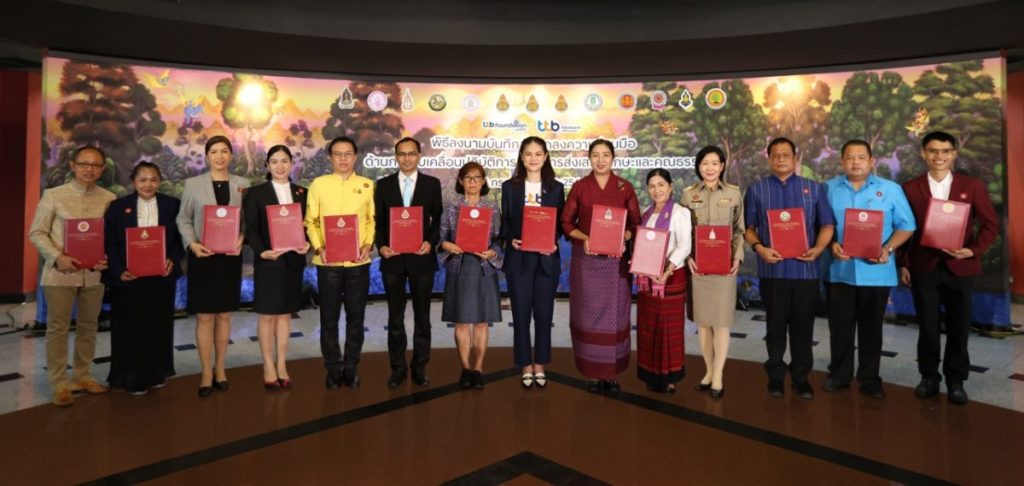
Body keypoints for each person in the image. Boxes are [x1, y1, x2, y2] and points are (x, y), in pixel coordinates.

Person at [898, 131, 998, 405]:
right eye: (933, 151)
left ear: (954, 154)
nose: (938, 156)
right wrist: (904, 263)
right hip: (923, 266)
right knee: (928, 327)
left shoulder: (972, 186)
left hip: (960, 266)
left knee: (959, 326)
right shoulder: (910, 187)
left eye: (945, 151)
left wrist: (973, 250)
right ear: (923, 153)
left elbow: (990, 225)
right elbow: (905, 229)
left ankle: (956, 380)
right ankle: (929, 376)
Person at [822, 140, 915, 399]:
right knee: (839, 328)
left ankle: (870, 378)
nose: (855, 162)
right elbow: (818, 224)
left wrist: (888, 248)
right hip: (838, 270)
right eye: (850, 157)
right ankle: (839, 374)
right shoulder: (828, 189)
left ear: (871, 160)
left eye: (861, 157)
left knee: (872, 328)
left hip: (877, 272)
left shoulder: (891, 190)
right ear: (842, 162)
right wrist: (830, 243)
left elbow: (906, 226)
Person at [743, 137, 834, 399]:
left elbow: (827, 225)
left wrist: (818, 248)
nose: (781, 159)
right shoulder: (758, 190)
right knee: (774, 328)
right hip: (773, 272)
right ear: (769, 158)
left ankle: (801, 377)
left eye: (786, 155)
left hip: (805, 271)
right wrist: (759, 247)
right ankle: (775, 376)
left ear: (795, 158)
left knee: (803, 328)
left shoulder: (814, 189)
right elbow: (749, 229)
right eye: (776, 155)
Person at [28, 146, 116, 406]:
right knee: (58, 328)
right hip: (60, 274)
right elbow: (37, 232)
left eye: (95, 165)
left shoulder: (108, 198)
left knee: (89, 327)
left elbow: (110, 238)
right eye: (84, 164)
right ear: (73, 165)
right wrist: (58, 257)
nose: (89, 169)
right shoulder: (53, 196)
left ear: (102, 169)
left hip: (94, 275)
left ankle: (82, 376)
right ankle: (58, 383)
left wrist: (107, 258)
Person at [561, 139, 641, 395]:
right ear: (589, 158)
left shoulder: (624, 187)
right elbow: (566, 222)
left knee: (615, 316)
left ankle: (612, 373)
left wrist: (625, 237)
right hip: (587, 264)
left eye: (606, 155)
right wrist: (585, 239)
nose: (601, 160)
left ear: (613, 157)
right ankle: (592, 373)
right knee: (588, 316)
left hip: (615, 265)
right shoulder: (580, 187)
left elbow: (635, 223)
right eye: (595, 155)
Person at [177, 135, 250, 397]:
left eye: (224, 151)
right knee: (206, 316)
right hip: (203, 257)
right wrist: (192, 244)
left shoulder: (243, 184)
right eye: (214, 151)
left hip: (230, 258)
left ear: (231, 156)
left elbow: (246, 220)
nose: (219, 156)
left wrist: (242, 238)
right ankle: (206, 371)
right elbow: (183, 219)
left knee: (225, 315)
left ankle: (221, 368)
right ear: (207, 156)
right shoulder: (193, 185)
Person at [103, 162, 184, 396]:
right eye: (143, 180)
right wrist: (119, 270)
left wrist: (172, 259)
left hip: (160, 278)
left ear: (159, 181)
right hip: (129, 279)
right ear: (133, 182)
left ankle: (156, 373)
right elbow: (110, 243)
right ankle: (130, 377)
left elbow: (179, 240)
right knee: (129, 328)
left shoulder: (171, 206)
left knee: (157, 326)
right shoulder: (119, 207)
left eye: (153, 179)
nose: (148, 184)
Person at [305, 136, 375, 390]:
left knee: (356, 318)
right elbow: (311, 221)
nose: (343, 158)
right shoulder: (319, 185)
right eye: (338, 154)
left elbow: (370, 220)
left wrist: (368, 244)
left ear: (355, 157)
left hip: (358, 262)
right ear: (330, 157)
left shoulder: (367, 185)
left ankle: (352, 367)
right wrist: (319, 247)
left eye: (348, 154)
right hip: (328, 263)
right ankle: (333, 368)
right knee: (329, 318)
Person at [374, 137, 443, 389]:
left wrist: (430, 242)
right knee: (395, 318)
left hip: (422, 259)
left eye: (411, 153)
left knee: (422, 317)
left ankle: (420, 367)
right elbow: (378, 222)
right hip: (392, 260)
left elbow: (438, 220)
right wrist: (380, 246)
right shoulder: (383, 185)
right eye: (401, 154)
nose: (406, 158)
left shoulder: (431, 184)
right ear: (396, 157)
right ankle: (398, 369)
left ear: (418, 156)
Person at [243, 145, 309, 390]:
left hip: (293, 261)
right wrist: (262, 251)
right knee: (268, 314)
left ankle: (282, 363)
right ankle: (267, 365)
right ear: (267, 166)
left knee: (284, 314)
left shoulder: (302, 192)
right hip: (269, 262)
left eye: (284, 161)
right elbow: (251, 228)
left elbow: (308, 225)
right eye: (274, 162)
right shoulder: (256, 193)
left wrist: (308, 243)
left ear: (292, 163)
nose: (280, 166)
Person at [501, 136, 564, 389]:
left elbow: (559, 224)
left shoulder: (556, 188)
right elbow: (505, 221)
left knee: (544, 314)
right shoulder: (510, 187)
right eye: (528, 154)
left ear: (546, 156)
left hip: (546, 260)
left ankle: (540, 364)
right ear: (521, 157)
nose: (533, 158)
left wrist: (554, 241)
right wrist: (512, 239)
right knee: (521, 314)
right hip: (519, 260)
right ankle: (525, 365)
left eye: (538, 153)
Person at [681, 146, 744, 398]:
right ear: (698, 167)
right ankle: (708, 372)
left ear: (722, 166)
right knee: (704, 323)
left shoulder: (734, 193)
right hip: (698, 267)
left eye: (714, 163)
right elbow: (683, 232)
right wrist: (688, 257)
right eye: (705, 163)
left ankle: (718, 375)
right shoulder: (688, 196)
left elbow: (739, 230)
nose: (709, 168)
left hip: (725, 268)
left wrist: (737, 257)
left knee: (722, 323)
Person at [439, 162, 503, 390]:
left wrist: (493, 250)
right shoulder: (451, 207)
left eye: (477, 178)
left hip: (484, 267)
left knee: (482, 322)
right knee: (462, 322)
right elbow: (441, 238)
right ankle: (465, 368)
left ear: (483, 181)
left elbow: (498, 238)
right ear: (461, 181)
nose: (473, 182)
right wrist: (448, 245)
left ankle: (478, 368)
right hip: (460, 266)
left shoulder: (492, 208)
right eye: (468, 178)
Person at [635, 169, 691, 395]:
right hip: (649, 278)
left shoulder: (679, 212)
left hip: (670, 277)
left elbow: (684, 246)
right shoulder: (646, 213)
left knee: (669, 329)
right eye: (652, 186)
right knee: (649, 327)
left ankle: (669, 377)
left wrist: (667, 271)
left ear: (670, 187)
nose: (657, 190)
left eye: (661, 185)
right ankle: (651, 373)